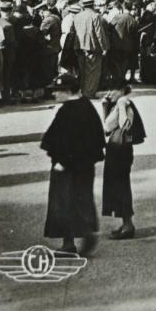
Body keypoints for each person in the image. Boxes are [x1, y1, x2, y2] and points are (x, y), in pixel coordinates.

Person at [40, 71, 106, 254]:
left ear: (68, 90)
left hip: (67, 167)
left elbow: (62, 140)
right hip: (85, 166)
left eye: (57, 90)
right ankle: (80, 235)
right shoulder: (87, 106)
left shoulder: (67, 112)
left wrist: (62, 161)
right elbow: (96, 138)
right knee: (82, 200)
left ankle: (72, 240)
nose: (54, 94)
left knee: (63, 203)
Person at [102, 85, 145, 239]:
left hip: (121, 150)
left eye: (112, 90)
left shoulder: (124, 104)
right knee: (118, 185)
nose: (109, 93)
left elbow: (123, 125)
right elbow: (107, 128)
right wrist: (105, 106)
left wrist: (119, 105)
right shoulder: (119, 103)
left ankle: (128, 225)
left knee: (121, 186)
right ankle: (125, 223)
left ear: (121, 90)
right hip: (117, 148)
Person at [71, 0, 109, 99]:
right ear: (92, 5)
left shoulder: (77, 16)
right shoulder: (95, 16)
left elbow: (73, 32)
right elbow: (99, 34)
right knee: (93, 72)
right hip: (92, 47)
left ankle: (83, 91)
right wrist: (104, 47)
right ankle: (89, 93)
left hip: (79, 47)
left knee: (82, 71)